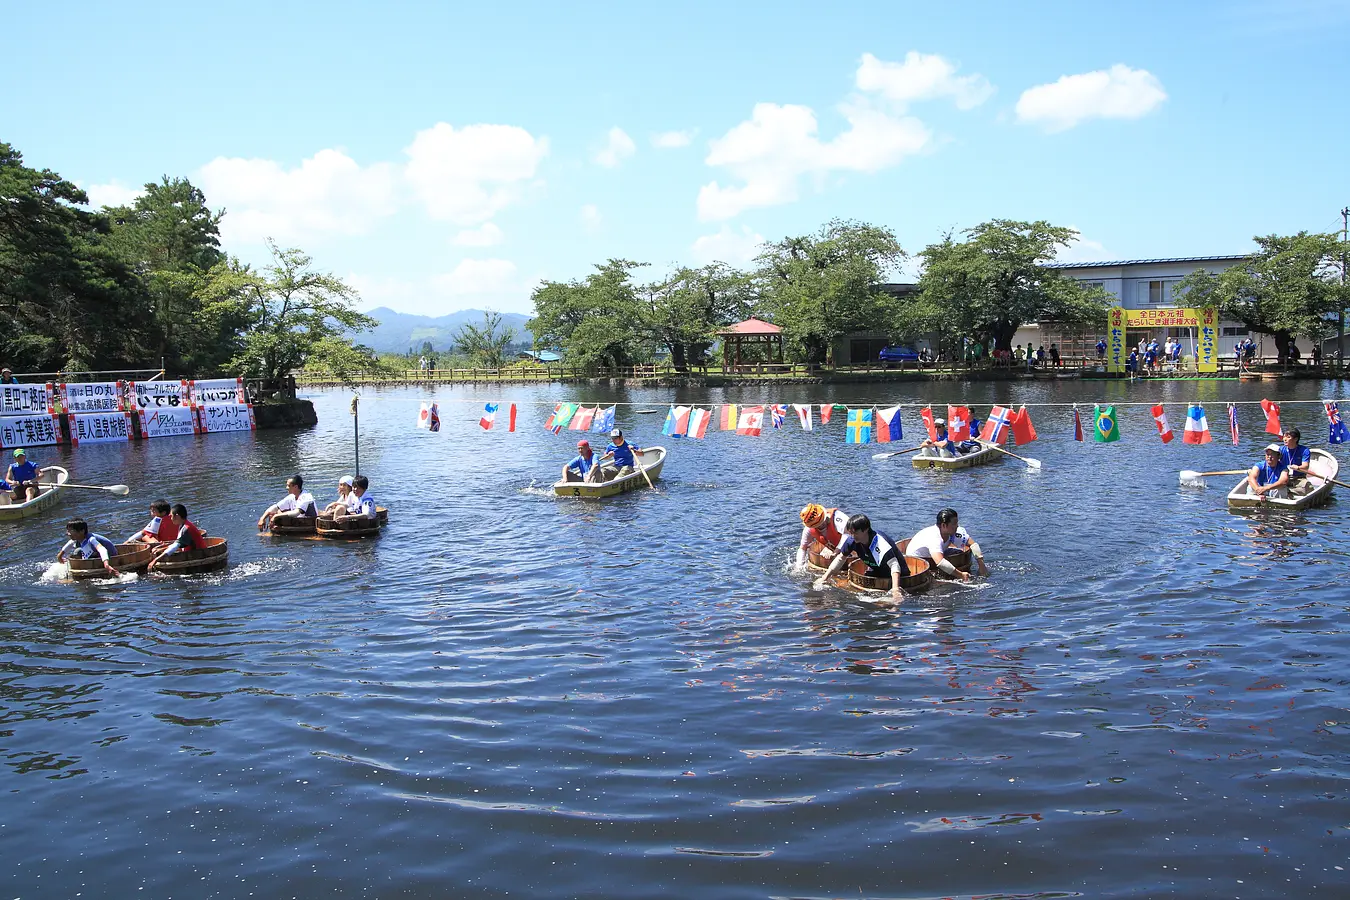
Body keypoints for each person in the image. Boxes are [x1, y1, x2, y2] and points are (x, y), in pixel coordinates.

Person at [812, 513, 908, 604]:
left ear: (865, 529)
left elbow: (894, 565)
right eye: (851, 533)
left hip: (899, 576)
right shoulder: (852, 541)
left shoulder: (879, 542)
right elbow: (841, 558)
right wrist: (824, 578)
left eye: (856, 533)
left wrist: (895, 590)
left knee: (884, 605)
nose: (853, 536)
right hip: (876, 571)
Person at [907, 508, 989, 582]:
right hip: (916, 564)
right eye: (954, 523)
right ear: (943, 525)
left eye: (957, 523)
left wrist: (982, 566)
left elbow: (973, 544)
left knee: (958, 552)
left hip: (933, 557)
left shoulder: (951, 532)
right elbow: (940, 562)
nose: (957, 526)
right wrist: (960, 575)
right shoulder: (934, 537)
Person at [149, 504, 209, 569]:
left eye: (171, 516)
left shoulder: (187, 528)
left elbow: (175, 546)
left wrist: (156, 560)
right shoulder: (183, 525)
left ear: (177, 516)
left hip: (199, 559)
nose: (170, 518)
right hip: (194, 557)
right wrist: (161, 549)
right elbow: (179, 543)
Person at [796, 503, 852, 570]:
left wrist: (836, 550)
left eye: (822, 521)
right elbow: (803, 548)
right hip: (835, 549)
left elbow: (849, 534)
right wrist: (799, 566)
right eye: (817, 525)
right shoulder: (808, 529)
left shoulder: (837, 518)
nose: (821, 525)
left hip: (853, 546)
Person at [1280, 427, 1312, 493]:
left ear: (1296, 439)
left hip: (1299, 477)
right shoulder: (1280, 450)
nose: (1285, 439)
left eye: (1288, 437)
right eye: (1284, 437)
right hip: (1284, 476)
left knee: (1309, 488)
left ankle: (1290, 492)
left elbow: (1305, 466)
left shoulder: (1304, 450)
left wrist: (1298, 467)